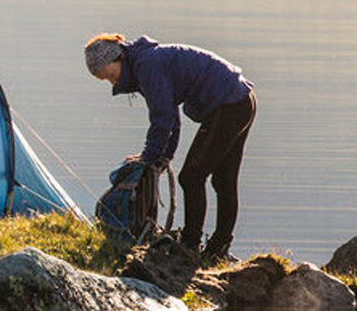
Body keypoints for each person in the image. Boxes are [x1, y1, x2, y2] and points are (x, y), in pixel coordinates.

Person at [84, 33, 256, 258]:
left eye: (111, 75)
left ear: (119, 59)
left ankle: (191, 244)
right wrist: (163, 158)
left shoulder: (147, 66)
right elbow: (171, 119)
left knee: (192, 176)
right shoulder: (144, 62)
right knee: (222, 180)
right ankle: (217, 250)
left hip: (229, 105)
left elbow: (162, 118)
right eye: (106, 80)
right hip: (241, 100)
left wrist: (148, 158)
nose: (113, 83)